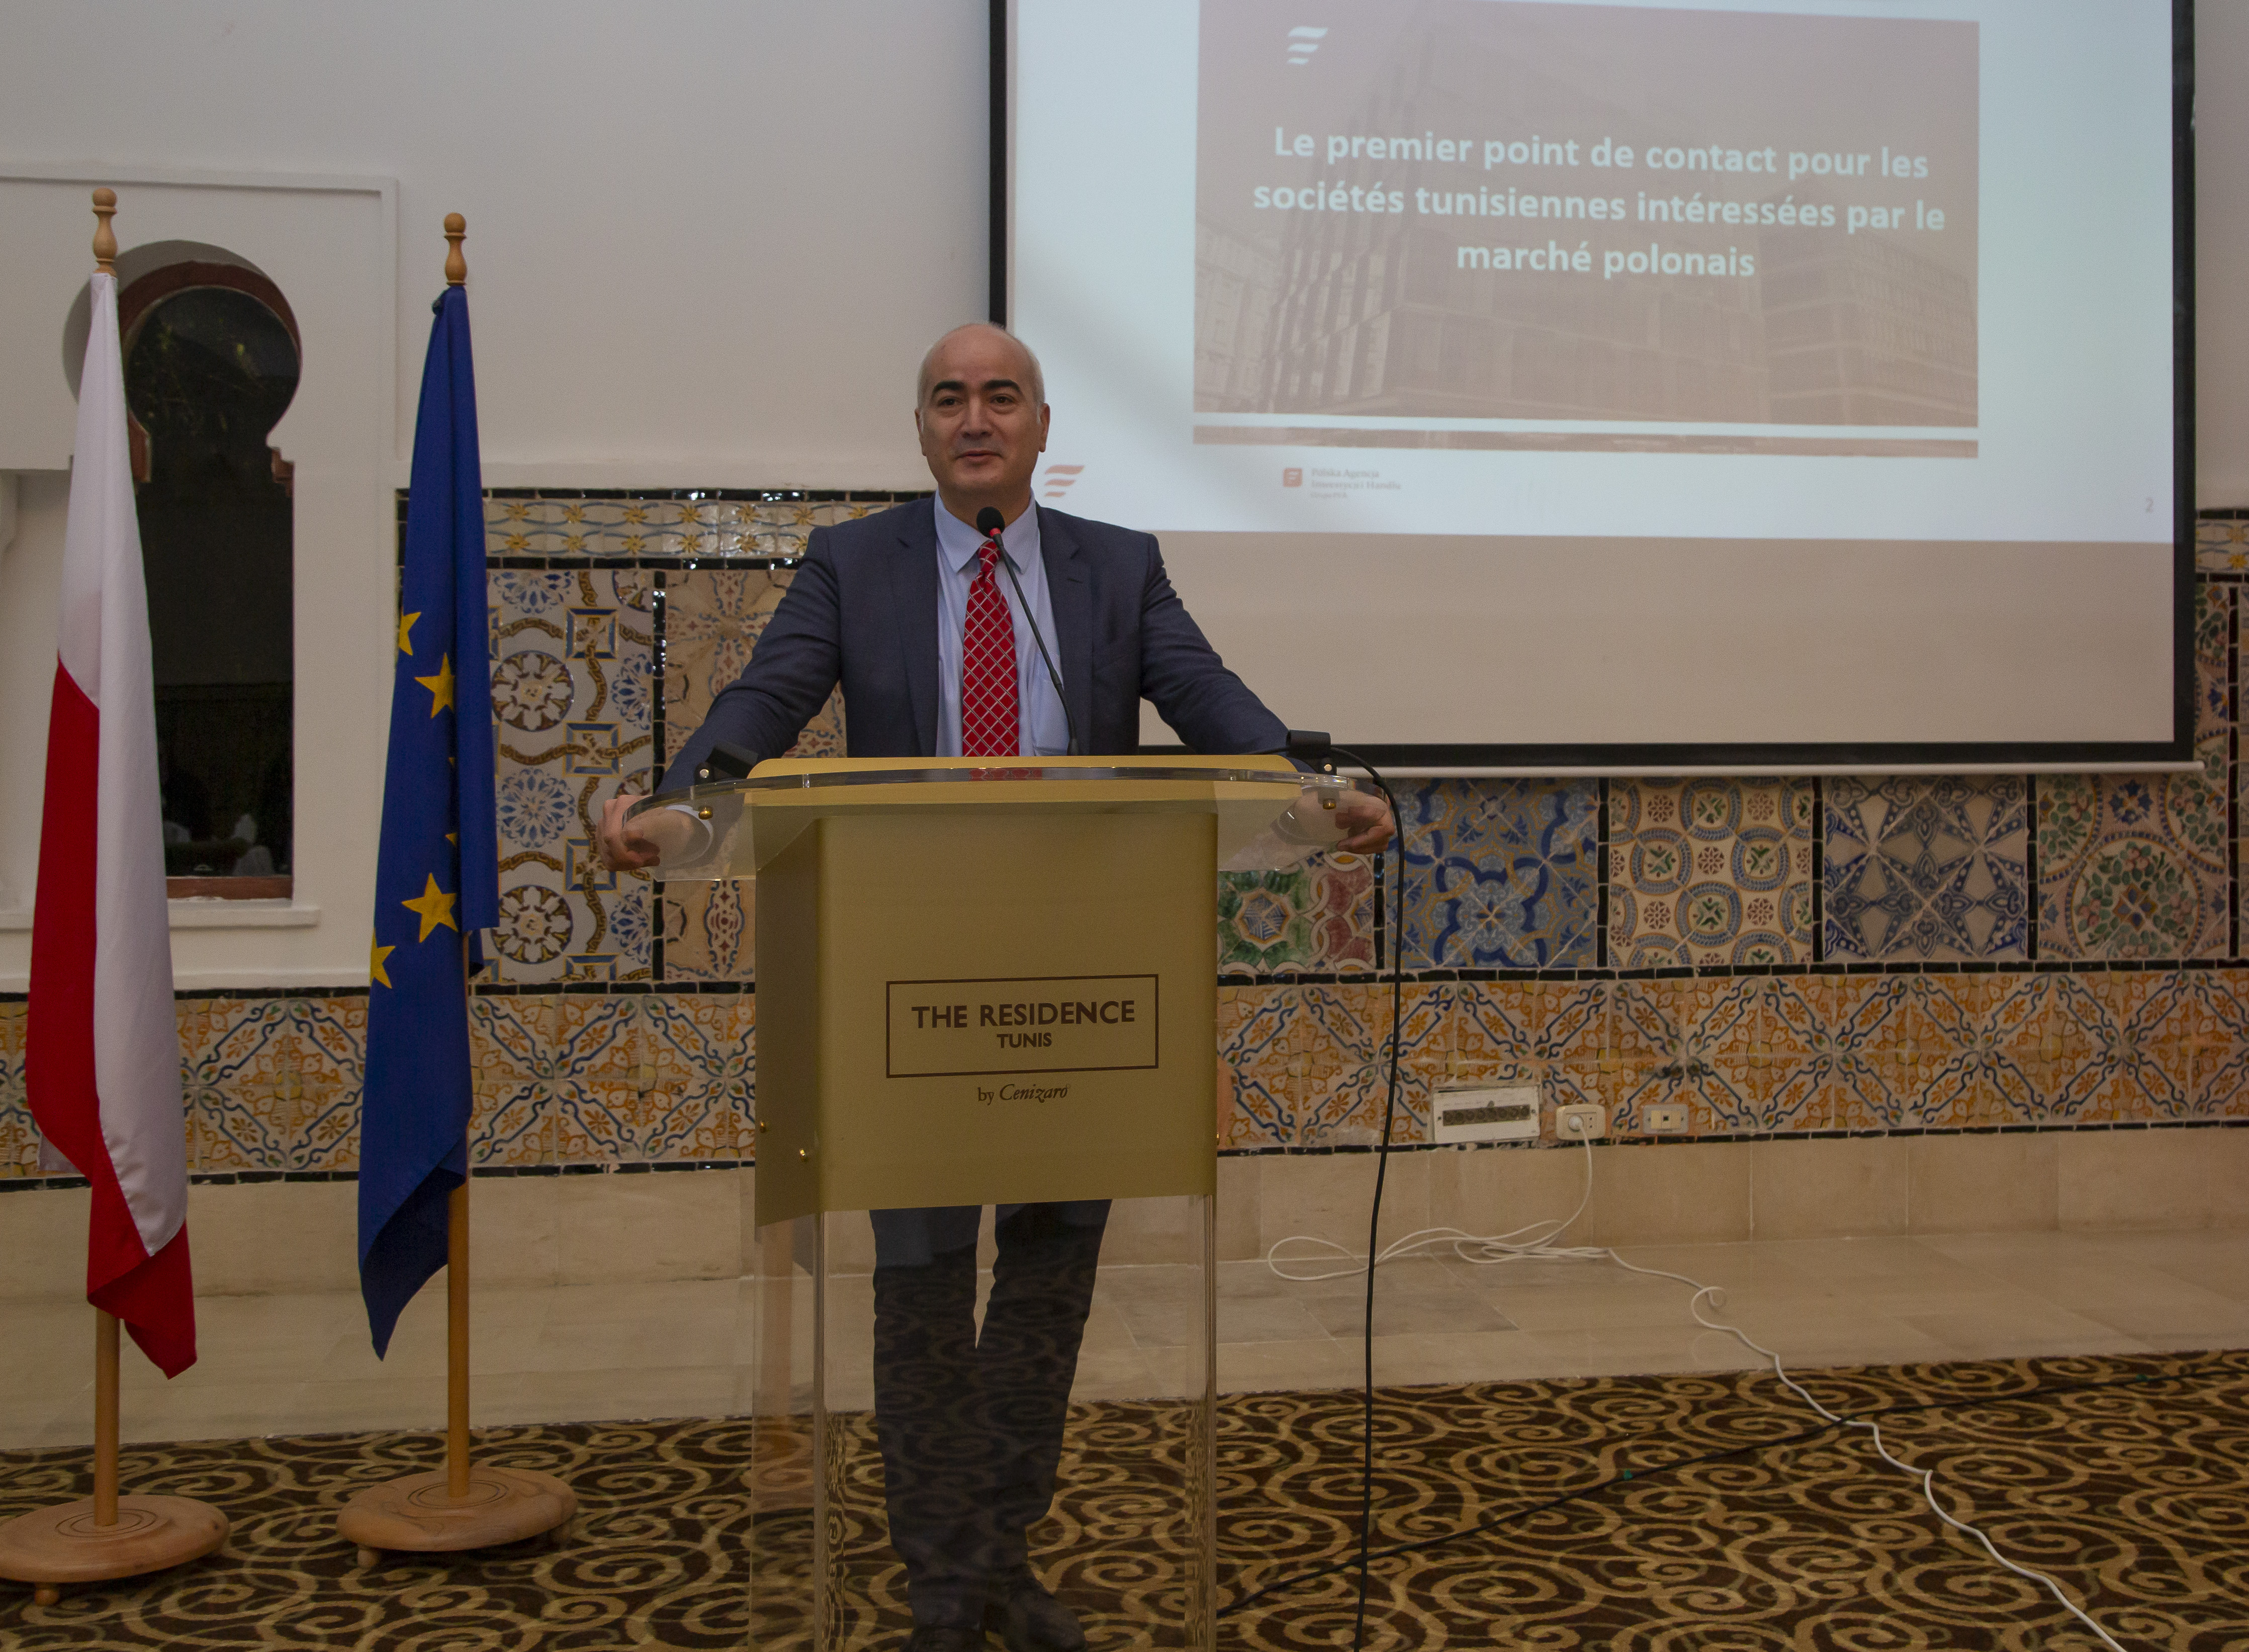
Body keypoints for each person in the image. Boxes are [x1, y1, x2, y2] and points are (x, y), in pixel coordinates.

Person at [596, 322, 1393, 1652]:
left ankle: (994, 1560)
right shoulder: (852, 563)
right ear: (920, 431)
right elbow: (766, 699)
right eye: (950, 399)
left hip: (1088, 963)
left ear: (1040, 428)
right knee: (918, 1281)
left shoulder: (1116, 569)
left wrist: (1308, 790)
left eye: (1002, 397)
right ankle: (944, 1585)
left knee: (1047, 1279)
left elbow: (1206, 697)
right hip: (906, 968)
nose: (976, 418)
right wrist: (685, 801)